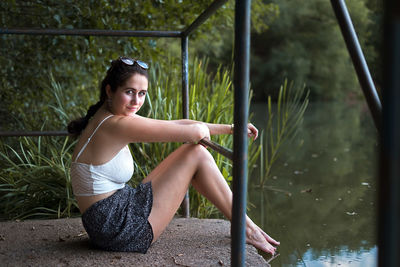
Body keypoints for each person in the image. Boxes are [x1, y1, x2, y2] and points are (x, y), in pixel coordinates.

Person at [68, 56, 280, 255]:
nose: (136, 101)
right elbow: (194, 132)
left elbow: (177, 124)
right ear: (109, 90)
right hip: (116, 231)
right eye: (129, 91)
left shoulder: (107, 116)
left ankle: (244, 226)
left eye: (142, 93)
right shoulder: (116, 124)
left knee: (194, 152)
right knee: (196, 153)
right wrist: (200, 132)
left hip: (110, 218)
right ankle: (246, 228)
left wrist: (232, 128)